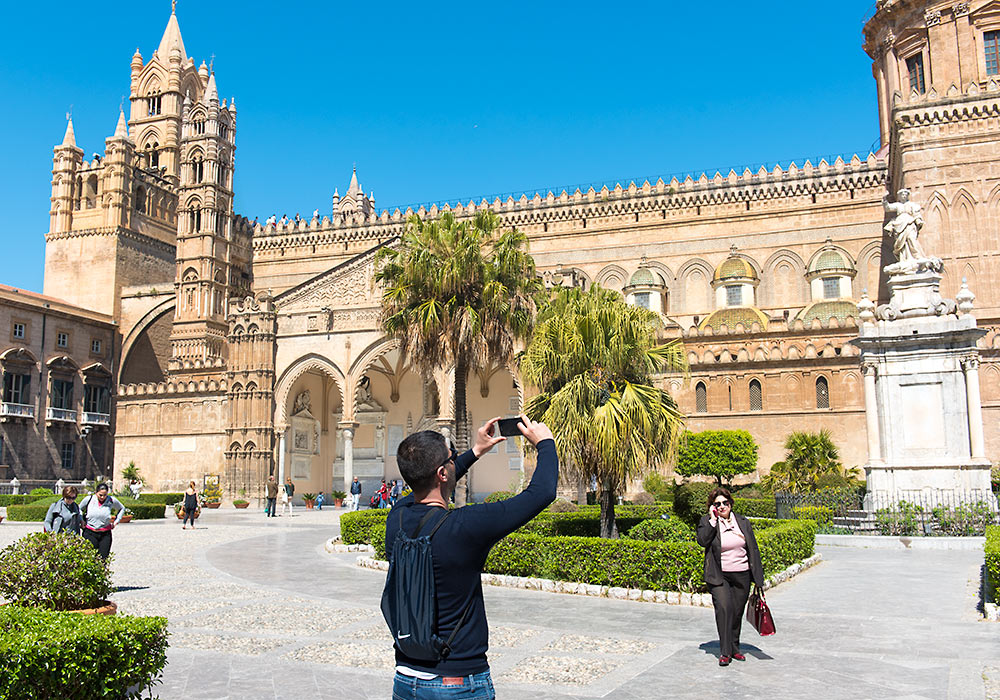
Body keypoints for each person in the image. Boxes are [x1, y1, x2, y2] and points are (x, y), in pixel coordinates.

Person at [385, 416, 556, 699]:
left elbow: (429, 483)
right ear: (442, 473)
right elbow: (541, 493)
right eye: (452, 458)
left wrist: (475, 451)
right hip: (457, 683)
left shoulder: (397, 519)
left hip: (405, 679)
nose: (455, 461)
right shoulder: (464, 527)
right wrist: (546, 444)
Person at [696, 487, 765, 667]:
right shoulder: (707, 522)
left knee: (736, 613)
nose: (721, 506)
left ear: (730, 503)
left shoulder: (743, 522)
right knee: (724, 610)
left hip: (742, 575)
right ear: (712, 507)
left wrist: (758, 579)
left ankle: (735, 648)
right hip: (719, 576)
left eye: (724, 503)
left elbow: (753, 550)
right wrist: (712, 521)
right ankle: (725, 652)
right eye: (717, 504)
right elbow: (702, 541)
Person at [79, 483, 126, 561]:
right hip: (90, 532)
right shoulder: (89, 499)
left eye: (105, 495)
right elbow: (79, 508)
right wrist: (81, 520)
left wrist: (116, 521)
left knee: (103, 559)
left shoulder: (111, 500)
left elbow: (122, 508)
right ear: (96, 492)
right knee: (90, 558)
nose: (102, 497)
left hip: (105, 533)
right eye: (100, 495)